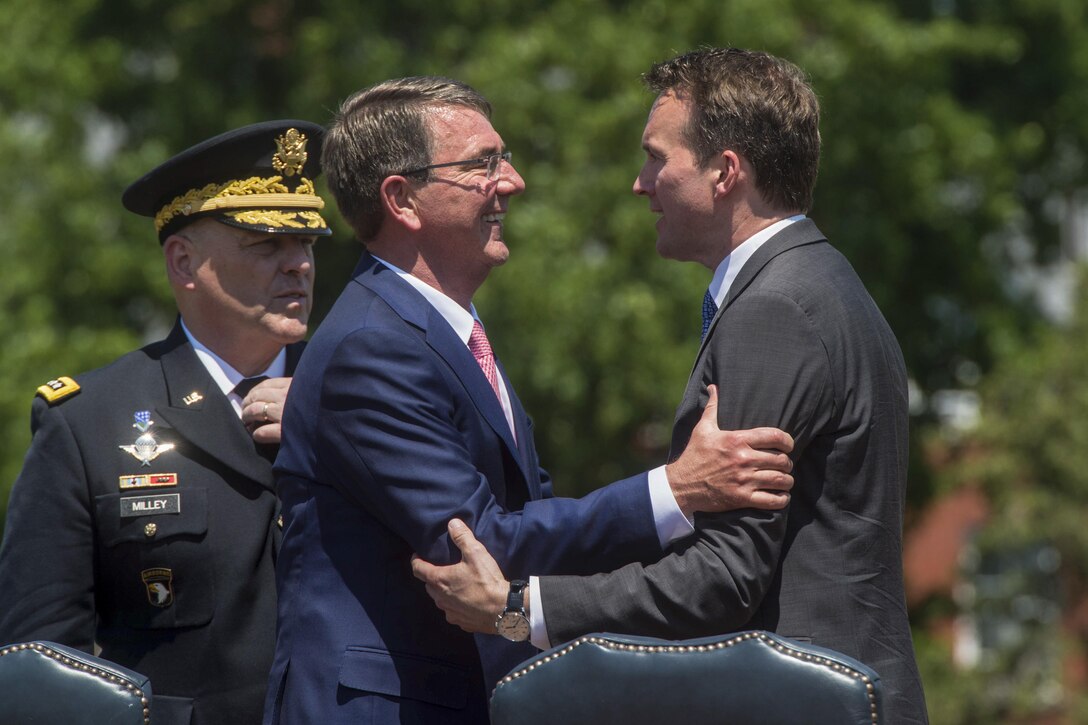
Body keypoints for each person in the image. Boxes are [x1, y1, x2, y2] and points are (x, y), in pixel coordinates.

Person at [412, 48, 930, 723]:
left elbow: (723, 575)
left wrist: (519, 610)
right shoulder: (821, 284)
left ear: (726, 172)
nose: (640, 182)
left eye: (657, 157)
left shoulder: (775, 309)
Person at [263, 76, 796, 725]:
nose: (512, 181)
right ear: (401, 199)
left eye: (504, 157)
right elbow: (479, 539)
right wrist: (676, 491)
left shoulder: (444, 333)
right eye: (482, 164)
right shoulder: (373, 347)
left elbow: (530, 514)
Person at [0, 120, 333, 725]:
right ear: (184, 262)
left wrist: (331, 423)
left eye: (306, 242)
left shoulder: (366, 399)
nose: (299, 265)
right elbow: (41, 666)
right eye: (266, 244)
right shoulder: (87, 422)